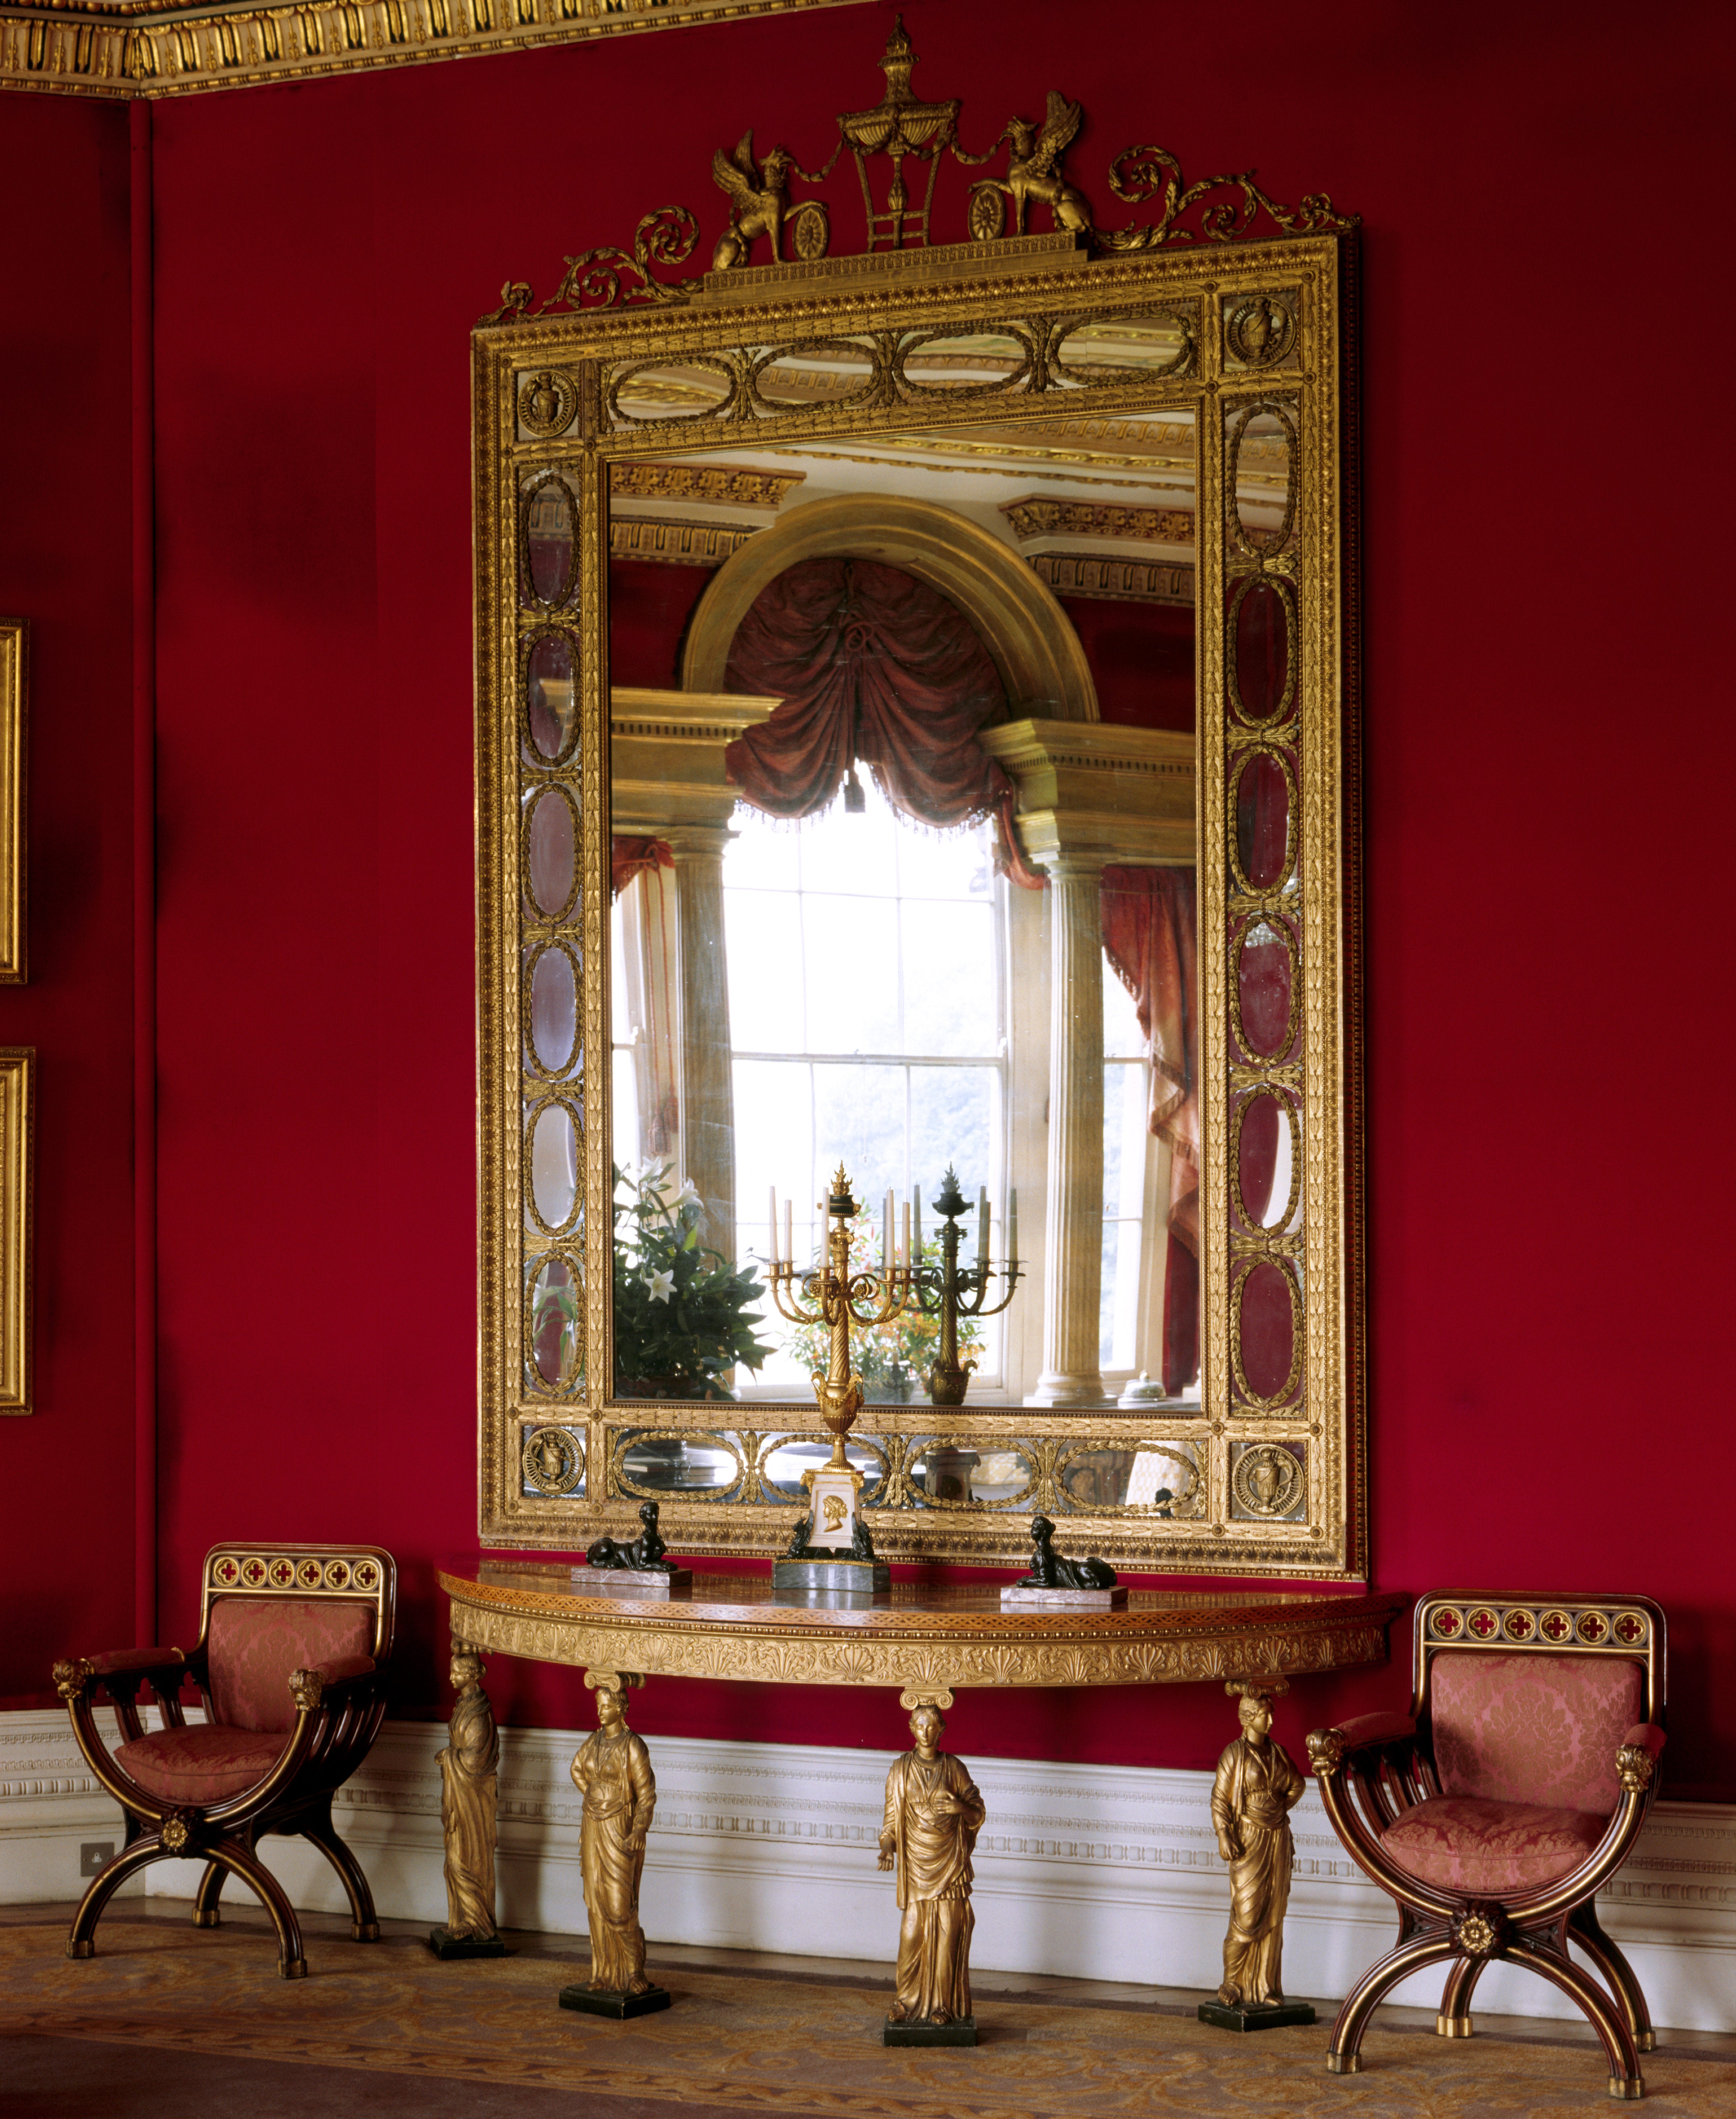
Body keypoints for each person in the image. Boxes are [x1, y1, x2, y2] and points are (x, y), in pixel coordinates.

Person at [878, 1704, 986, 2026]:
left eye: (932, 1726)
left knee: (947, 1937)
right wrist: (887, 1849)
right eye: (920, 1725)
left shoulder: (954, 1768)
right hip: (916, 1870)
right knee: (911, 1937)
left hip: (950, 1867)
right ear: (912, 1727)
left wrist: (959, 1808)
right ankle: (906, 2001)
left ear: (943, 1729)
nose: (926, 1731)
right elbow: (890, 1825)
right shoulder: (899, 1770)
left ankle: (944, 2006)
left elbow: (977, 1813)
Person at [1210, 1689, 1305, 2007]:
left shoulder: (1278, 1753)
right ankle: (1232, 1983)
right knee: (1247, 1915)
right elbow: (1220, 1800)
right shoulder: (1233, 1754)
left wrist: (1276, 1809)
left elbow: (1297, 1784)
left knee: (1274, 1915)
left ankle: (1266, 1988)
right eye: (1266, 1714)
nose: (1272, 1720)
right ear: (1250, 1717)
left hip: (1277, 1837)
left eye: (1272, 1713)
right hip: (1248, 1840)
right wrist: (1225, 1834)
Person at [571, 1677, 657, 1993]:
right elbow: (577, 1768)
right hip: (593, 1827)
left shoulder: (633, 1746)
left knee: (620, 1907)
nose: (600, 1712)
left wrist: (639, 1828)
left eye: (606, 1706)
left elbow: (647, 1795)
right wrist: (593, 1793)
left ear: (621, 1709)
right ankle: (604, 1974)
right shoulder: (593, 1742)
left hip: (619, 1831)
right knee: (595, 1901)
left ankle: (635, 1970)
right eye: (599, 1706)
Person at [437, 1644, 500, 1941]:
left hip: (472, 1802)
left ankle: (476, 1923)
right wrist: (451, 1755)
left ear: (471, 1675)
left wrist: (449, 1757)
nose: (451, 1677)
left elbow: (473, 1760)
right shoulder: (465, 1707)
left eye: (456, 1672)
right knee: (452, 1862)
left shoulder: (478, 1715)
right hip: (461, 1798)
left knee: (464, 1860)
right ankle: (461, 1919)